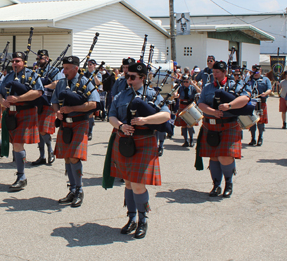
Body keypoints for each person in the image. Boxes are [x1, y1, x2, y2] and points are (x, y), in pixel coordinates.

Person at [108, 62, 170, 239]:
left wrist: (145, 120)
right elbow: (111, 115)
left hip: (143, 141)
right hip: (124, 141)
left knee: (137, 184)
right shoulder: (121, 95)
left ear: (143, 78)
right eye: (127, 76)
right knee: (128, 182)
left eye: (132, 77)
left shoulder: (152, 94)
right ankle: (132, 218)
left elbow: (166, 115)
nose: (128, 79)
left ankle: (143, 220)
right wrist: (120, 126)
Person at [51, 56, 100, 208]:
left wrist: (72, 109)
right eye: (63, 68)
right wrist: (57, 111)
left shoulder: (85, 82)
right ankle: (72, 190)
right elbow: (53, 102)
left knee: (74, 157)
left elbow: (93, 104)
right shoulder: (61, 83)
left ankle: (79, 190)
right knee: (67, 157)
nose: (63, 71)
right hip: (65, 124)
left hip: (80, 123)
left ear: (76, 69)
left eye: (67, 68)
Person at [197, 61, 250, 198]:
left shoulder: (234, 85)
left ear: (225, 72)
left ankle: (229, 183)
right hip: (211, 125)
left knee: (224, 156)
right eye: (214, 72)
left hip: (229, 125)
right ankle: (216, 186)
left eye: (218, 72)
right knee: (214, 157)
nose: (215, 74)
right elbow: (201, 103)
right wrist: (212, 112)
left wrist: (229, 106)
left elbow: (245, 98)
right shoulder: (208, 87)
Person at [0, 52, 43, 191]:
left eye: (18, 61)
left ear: (24, 62)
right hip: (11, 113)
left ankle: (21, 177)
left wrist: (19, 99)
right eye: (13, 61)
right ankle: (21, 175)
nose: (15, 63)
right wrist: (3, 102)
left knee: (17, 144)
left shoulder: (32, 75)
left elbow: (38, 92)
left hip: (26, 111)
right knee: (16, 144)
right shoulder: (8, 76)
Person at [32, 49, 61, 166]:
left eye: (41, 58)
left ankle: (50, 151)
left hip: (49, 102)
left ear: (47, 59)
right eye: (38, 58)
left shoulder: (54, 70)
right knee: (38, 130)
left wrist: (43, 87)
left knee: (44, 130)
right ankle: (42, 156)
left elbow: (57, 83)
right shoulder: (37, 71)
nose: (39, 60)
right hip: (37, 102)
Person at [246, 66, 272, 146]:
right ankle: (253, 138)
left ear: (260, 71)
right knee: (252, 121)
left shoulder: (265, 79)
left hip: (261, 102)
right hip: (252, 102)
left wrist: (266, 93)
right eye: (254, 72)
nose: (255, 74)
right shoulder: (249, 80)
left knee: (260, 122)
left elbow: (269, 89)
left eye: (257, 72)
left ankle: (260, 138)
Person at [174, 75, 201, 147]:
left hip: (190, 106)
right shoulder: (180, 88)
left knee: (190, 124)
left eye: (187, 81)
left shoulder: (192, 88)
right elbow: (175, 95)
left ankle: (191, 140)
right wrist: (176, 93)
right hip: (182, 106)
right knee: (183, 125)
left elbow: (199, 91)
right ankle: (185, 141)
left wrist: (194, 84)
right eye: (184, 82)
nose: (186, 83)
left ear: (190, 81)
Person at [84, 59, 102, 140]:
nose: (89, 66)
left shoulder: (98, 74)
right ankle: (84, 130)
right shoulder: (84, 74)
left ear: (94, 65)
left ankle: (90, 132)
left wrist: (94, 75)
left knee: (90, 114)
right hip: (84, 95)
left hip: (92, 96)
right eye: (88, 64)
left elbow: (98, 83)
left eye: (91, 64)